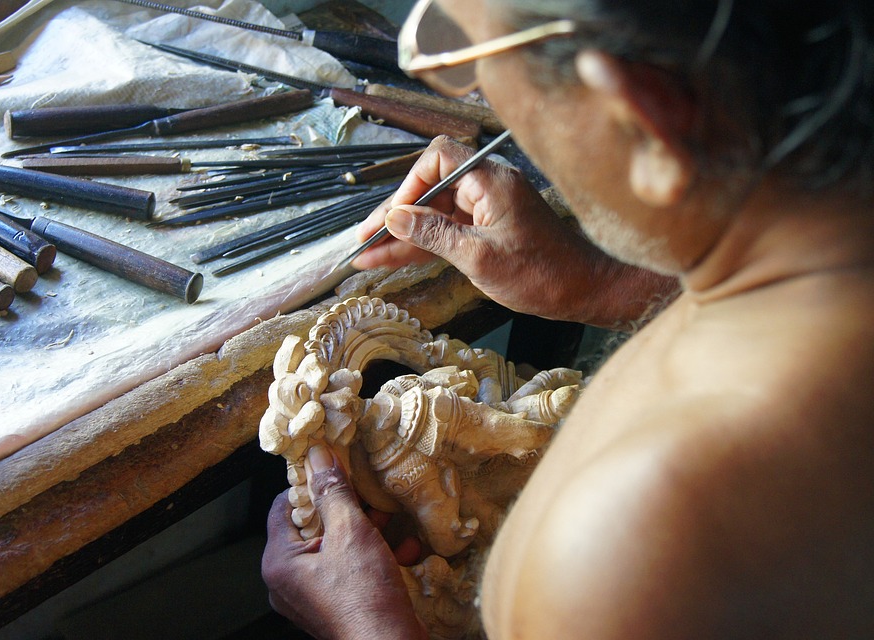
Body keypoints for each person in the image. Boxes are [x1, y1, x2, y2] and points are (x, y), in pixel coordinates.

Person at [262, 0, 874, 637]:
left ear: (639, 114)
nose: (477, 97)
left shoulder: (623, 547)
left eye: (471, 58)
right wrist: (603, 284)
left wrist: (369, 625)